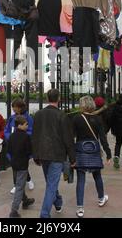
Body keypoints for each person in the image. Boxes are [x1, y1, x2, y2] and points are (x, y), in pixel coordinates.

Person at [32, 89, 76, 219]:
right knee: (52, 184)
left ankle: (58, 202)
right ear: (59, 99)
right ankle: (44, 214)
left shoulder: (39, 114)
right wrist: (73, 158)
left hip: (43, 154)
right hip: (57, 154)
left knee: (51, 183)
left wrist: (35, 154)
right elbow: (68, 139)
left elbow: (34, 136)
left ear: (47, 98)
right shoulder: (62, 116)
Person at [72, 96, 112, 218]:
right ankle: (101, 198)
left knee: (81, 179)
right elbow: (103, 138)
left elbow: (71, 137)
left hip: (80, 149)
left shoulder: (76, 118)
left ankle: (80, 208)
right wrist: (108, 153)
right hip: (94, 149)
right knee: (97, 175)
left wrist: (70, 154)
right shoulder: (97, 119)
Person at [4, 98, 35, 194]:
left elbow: (31, 131)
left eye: (15, 107)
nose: (13, 109)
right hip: (13, 144)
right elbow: (7, 129)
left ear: (20, 107)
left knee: (22, 165)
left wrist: (23, 135)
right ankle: (16, 184)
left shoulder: (28, 118)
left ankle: (28, 180)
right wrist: (10, 137)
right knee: (15, 165)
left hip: (23, 145)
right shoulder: (12, 118)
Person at [8, 116, 35, 218]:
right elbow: (29, 151)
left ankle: (25, 200)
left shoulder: (11, 136)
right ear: (20, 125)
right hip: (23, 164)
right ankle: (14, 211)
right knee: (19, 186)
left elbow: (9, 150)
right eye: (26, 124)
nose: (27, 126)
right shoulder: (26, 137)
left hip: (14, 163)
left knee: (19, 183)